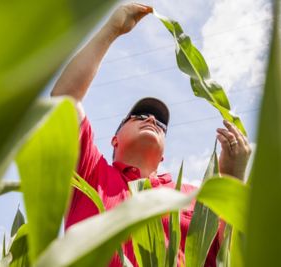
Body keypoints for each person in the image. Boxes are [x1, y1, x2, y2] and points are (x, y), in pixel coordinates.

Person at [51, 3, 251, 266]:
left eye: (160, 122)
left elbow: (237, 256)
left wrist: (232, 176)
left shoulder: (193, 197)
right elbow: (64, 100)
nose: (151, 119)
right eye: (139, 116)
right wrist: (112, 30)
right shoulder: (90, 173)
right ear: (114, 139)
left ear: (163, 155)